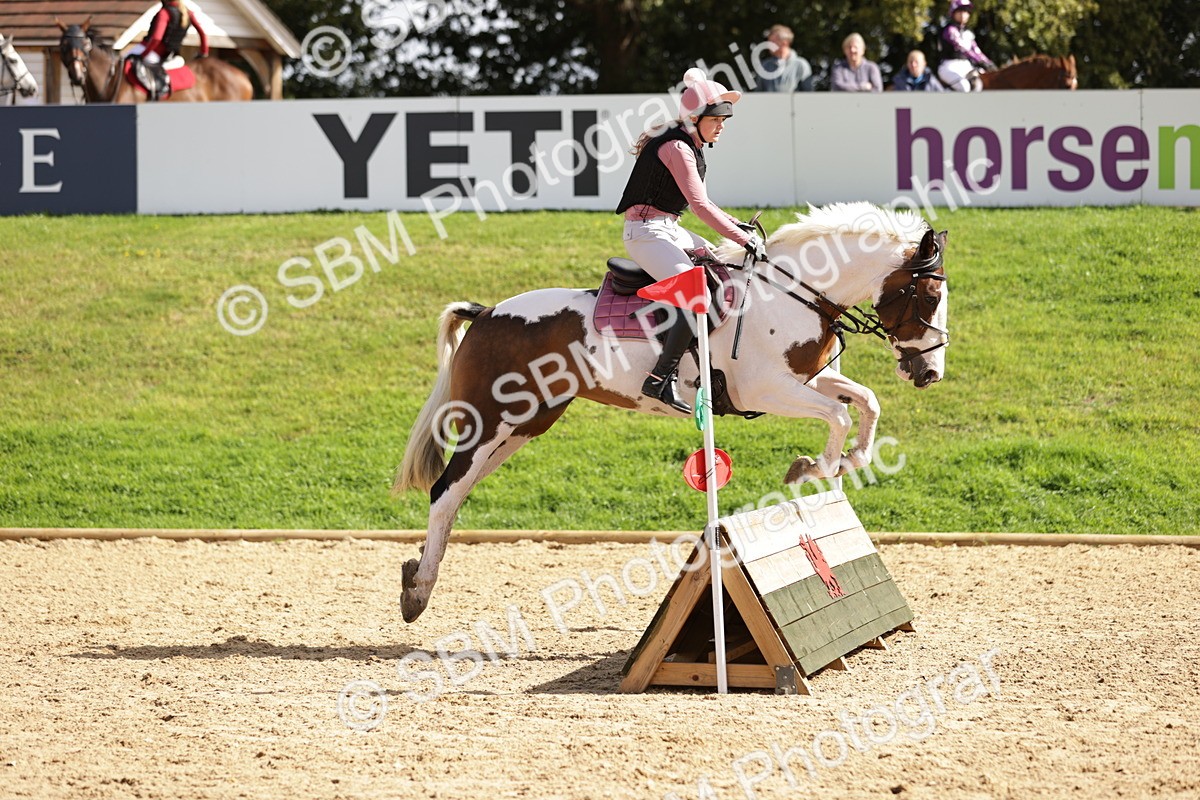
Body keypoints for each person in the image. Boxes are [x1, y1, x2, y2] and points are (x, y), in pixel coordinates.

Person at [615, 68, 767, 413]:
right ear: (695, 117)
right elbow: (699, 206)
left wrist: (736, 225)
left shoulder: (691, 143)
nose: (723, 124)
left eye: (726, 118)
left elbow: (706, 203)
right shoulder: (677, 148)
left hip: (668, 227)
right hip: (646, 232)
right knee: (694, 292)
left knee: (721, 268)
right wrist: (744, 240)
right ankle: (659, 379)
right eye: (717, 118)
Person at [129, 0, 209, 97]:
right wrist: (203, 53)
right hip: (171, 55)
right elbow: (203, 34)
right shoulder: (188, 13)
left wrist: (143, 55)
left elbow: (156, 39)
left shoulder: (164, 13)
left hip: (151, 51)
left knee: (124, 62)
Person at [938, 0, 996, 92]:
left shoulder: (968, 33)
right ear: (953, 13)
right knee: (964, 87)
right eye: (960, 11)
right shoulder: (949, 30)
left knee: (980, 84)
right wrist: (980, 61)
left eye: (966, 11)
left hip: (966, 66)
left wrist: (989, 63)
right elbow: (963, 48)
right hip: (949, 66)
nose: (963, 14)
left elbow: (976, 50)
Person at [756, 24, 813, 92]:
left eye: (772, 41)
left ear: (785, 42)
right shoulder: (765, 66)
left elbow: (808, 95)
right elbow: (758, 94)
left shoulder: (801, 65)